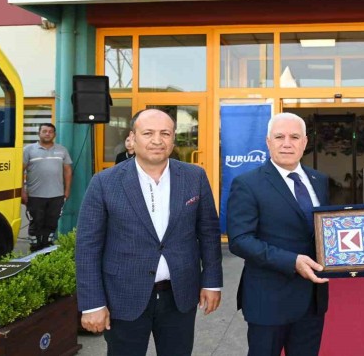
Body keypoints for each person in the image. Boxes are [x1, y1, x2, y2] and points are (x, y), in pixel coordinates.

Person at [76, 109, 223, 356]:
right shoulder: (104, 182)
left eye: (165, 133)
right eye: (148, 133)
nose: (157, 140)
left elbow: (209, 233)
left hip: (179, 295)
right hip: (123, 296)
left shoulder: (194, 176)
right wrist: (92, 304)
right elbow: (87, 247)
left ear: (173, 139)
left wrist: (212, 282)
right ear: (132, 139)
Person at [227, 112, 330, 356]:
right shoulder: (247, 184)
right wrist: (292, 261)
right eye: (279, 137)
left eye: (294, 137)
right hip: (268, 300)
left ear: (305, 142)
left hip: (312, 300)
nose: (287, 143)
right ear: (268, 141)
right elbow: (240, 240)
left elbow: (323, 230)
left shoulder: (319, 180)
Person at [22, 123, 72, 251]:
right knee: (36, 222)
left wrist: (67, 190)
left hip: (57, 195)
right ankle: (34, 247)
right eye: (44, 131)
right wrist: (22, 191)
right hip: (35, 195)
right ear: (39, 133)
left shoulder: (62, 150)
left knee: (52, 222)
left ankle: (47, 247)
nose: (47, 134)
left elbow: (67, 170)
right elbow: (19, 171)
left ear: (54, 134)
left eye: (50, 131)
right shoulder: (28, 150)